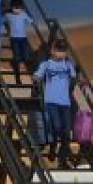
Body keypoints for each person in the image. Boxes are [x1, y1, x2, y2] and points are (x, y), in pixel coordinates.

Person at [34, 39, 77, 168]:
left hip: (65, 102)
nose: (60, 53)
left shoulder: (68, 65)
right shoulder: (46, 65)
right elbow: (38, 75)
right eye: (58, 50)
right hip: (51, 101)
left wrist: (80, 81)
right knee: (57, 127)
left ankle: (62, 158)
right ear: (52, 51)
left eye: (63, 51)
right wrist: (36, 78)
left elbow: (74, 77)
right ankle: (53, 147)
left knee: (66, 132)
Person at [4, 0, 35, 85]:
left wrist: (28, 16)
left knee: (26, 57)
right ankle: (17, 78)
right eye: (15, 7)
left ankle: (13, 63)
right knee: (17, 57)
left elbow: (31, 21)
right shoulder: (8, 15)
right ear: (12, 7)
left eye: (19, 7)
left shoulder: (23, 14)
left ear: (22, 7)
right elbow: (1, 20)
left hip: (23, 39)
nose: (17, 9)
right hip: (14, 40)